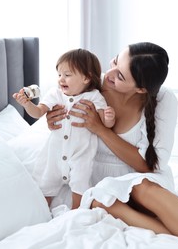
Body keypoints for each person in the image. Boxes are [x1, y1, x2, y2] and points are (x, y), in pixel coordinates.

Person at [45, 42, 178, 249]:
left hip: (140, 178)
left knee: (142, 187)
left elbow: (151, 165)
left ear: (141, 89)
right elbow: (59, 117)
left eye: (120, 76)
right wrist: (53, 121)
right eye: (115, 61)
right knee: (99, 199)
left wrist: (101, 130)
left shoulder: (163, 99)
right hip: (96, 178)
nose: (109, 74)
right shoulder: (90, 85)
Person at [13, 48, 115, 210]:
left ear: (86, 77)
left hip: (80, 153)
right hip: (55, 153)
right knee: (46, 182)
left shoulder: (94, 96)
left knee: (80, 181)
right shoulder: (55, 94)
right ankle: (42, 212)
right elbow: (38, 112)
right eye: (59, 74)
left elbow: (105, 124)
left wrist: (109, 117)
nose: (61, 79)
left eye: (67, 75)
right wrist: (27, 104)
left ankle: (76, 211)